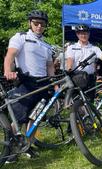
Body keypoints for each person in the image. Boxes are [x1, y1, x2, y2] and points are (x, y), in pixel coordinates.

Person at [3, 10, 55, 161]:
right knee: (19, 118)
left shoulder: (46, 44)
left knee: (35, 117)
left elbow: (50, 65)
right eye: (36, 23)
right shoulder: (21, 37)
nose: (39, 26)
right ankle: (10, 151)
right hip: (26, 82)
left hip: (43, 84)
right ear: (30, 23)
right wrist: (7, 70)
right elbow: (10, 55)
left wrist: (53, 82)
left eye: (42, 24)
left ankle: (28, 145)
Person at [66, 24, 102, 100]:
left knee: (89, 102)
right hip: (76, 78)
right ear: (77, 34)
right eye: (81, 33)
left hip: (90, 78)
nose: (84, 35)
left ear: (89, 34)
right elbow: (70, 59)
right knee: (76, 103)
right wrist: (69, 68)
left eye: (86, 33)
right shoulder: (71, 47)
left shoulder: (94, 48)